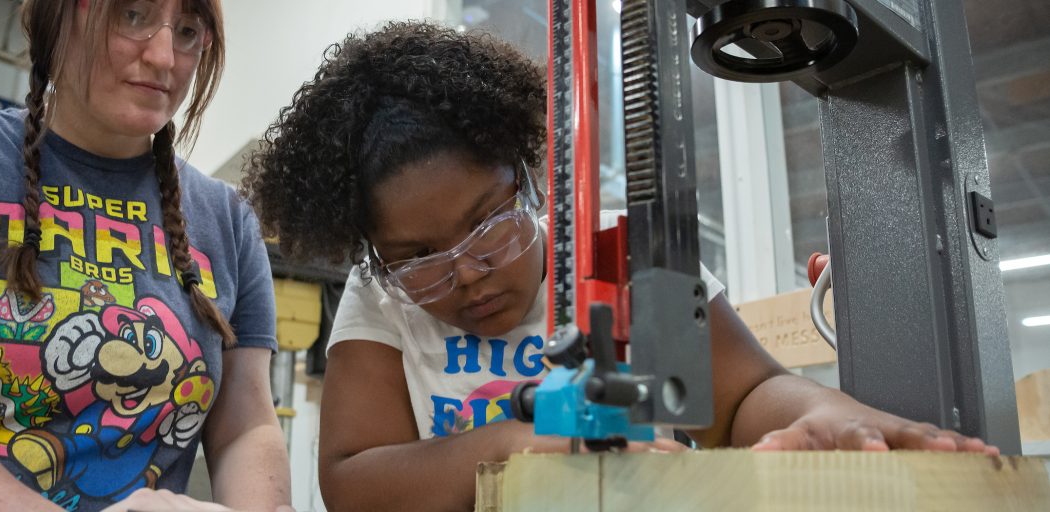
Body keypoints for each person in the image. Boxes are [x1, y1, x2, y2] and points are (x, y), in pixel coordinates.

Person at [242, 21, 997, 511]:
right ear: (375, 256)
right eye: (419, 261)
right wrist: (513, 448)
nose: (466, 275)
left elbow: (742, 398)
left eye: (489, 228)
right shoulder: (380, 301)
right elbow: (351, 479)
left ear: (533, 178)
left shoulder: (626, 249)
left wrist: (822, 413)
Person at [0, 1, 292, 510]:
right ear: (57, 20)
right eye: (133, 16)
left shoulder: (229, 221)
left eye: (187, 31)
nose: (164, 57)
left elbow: (246, 428)